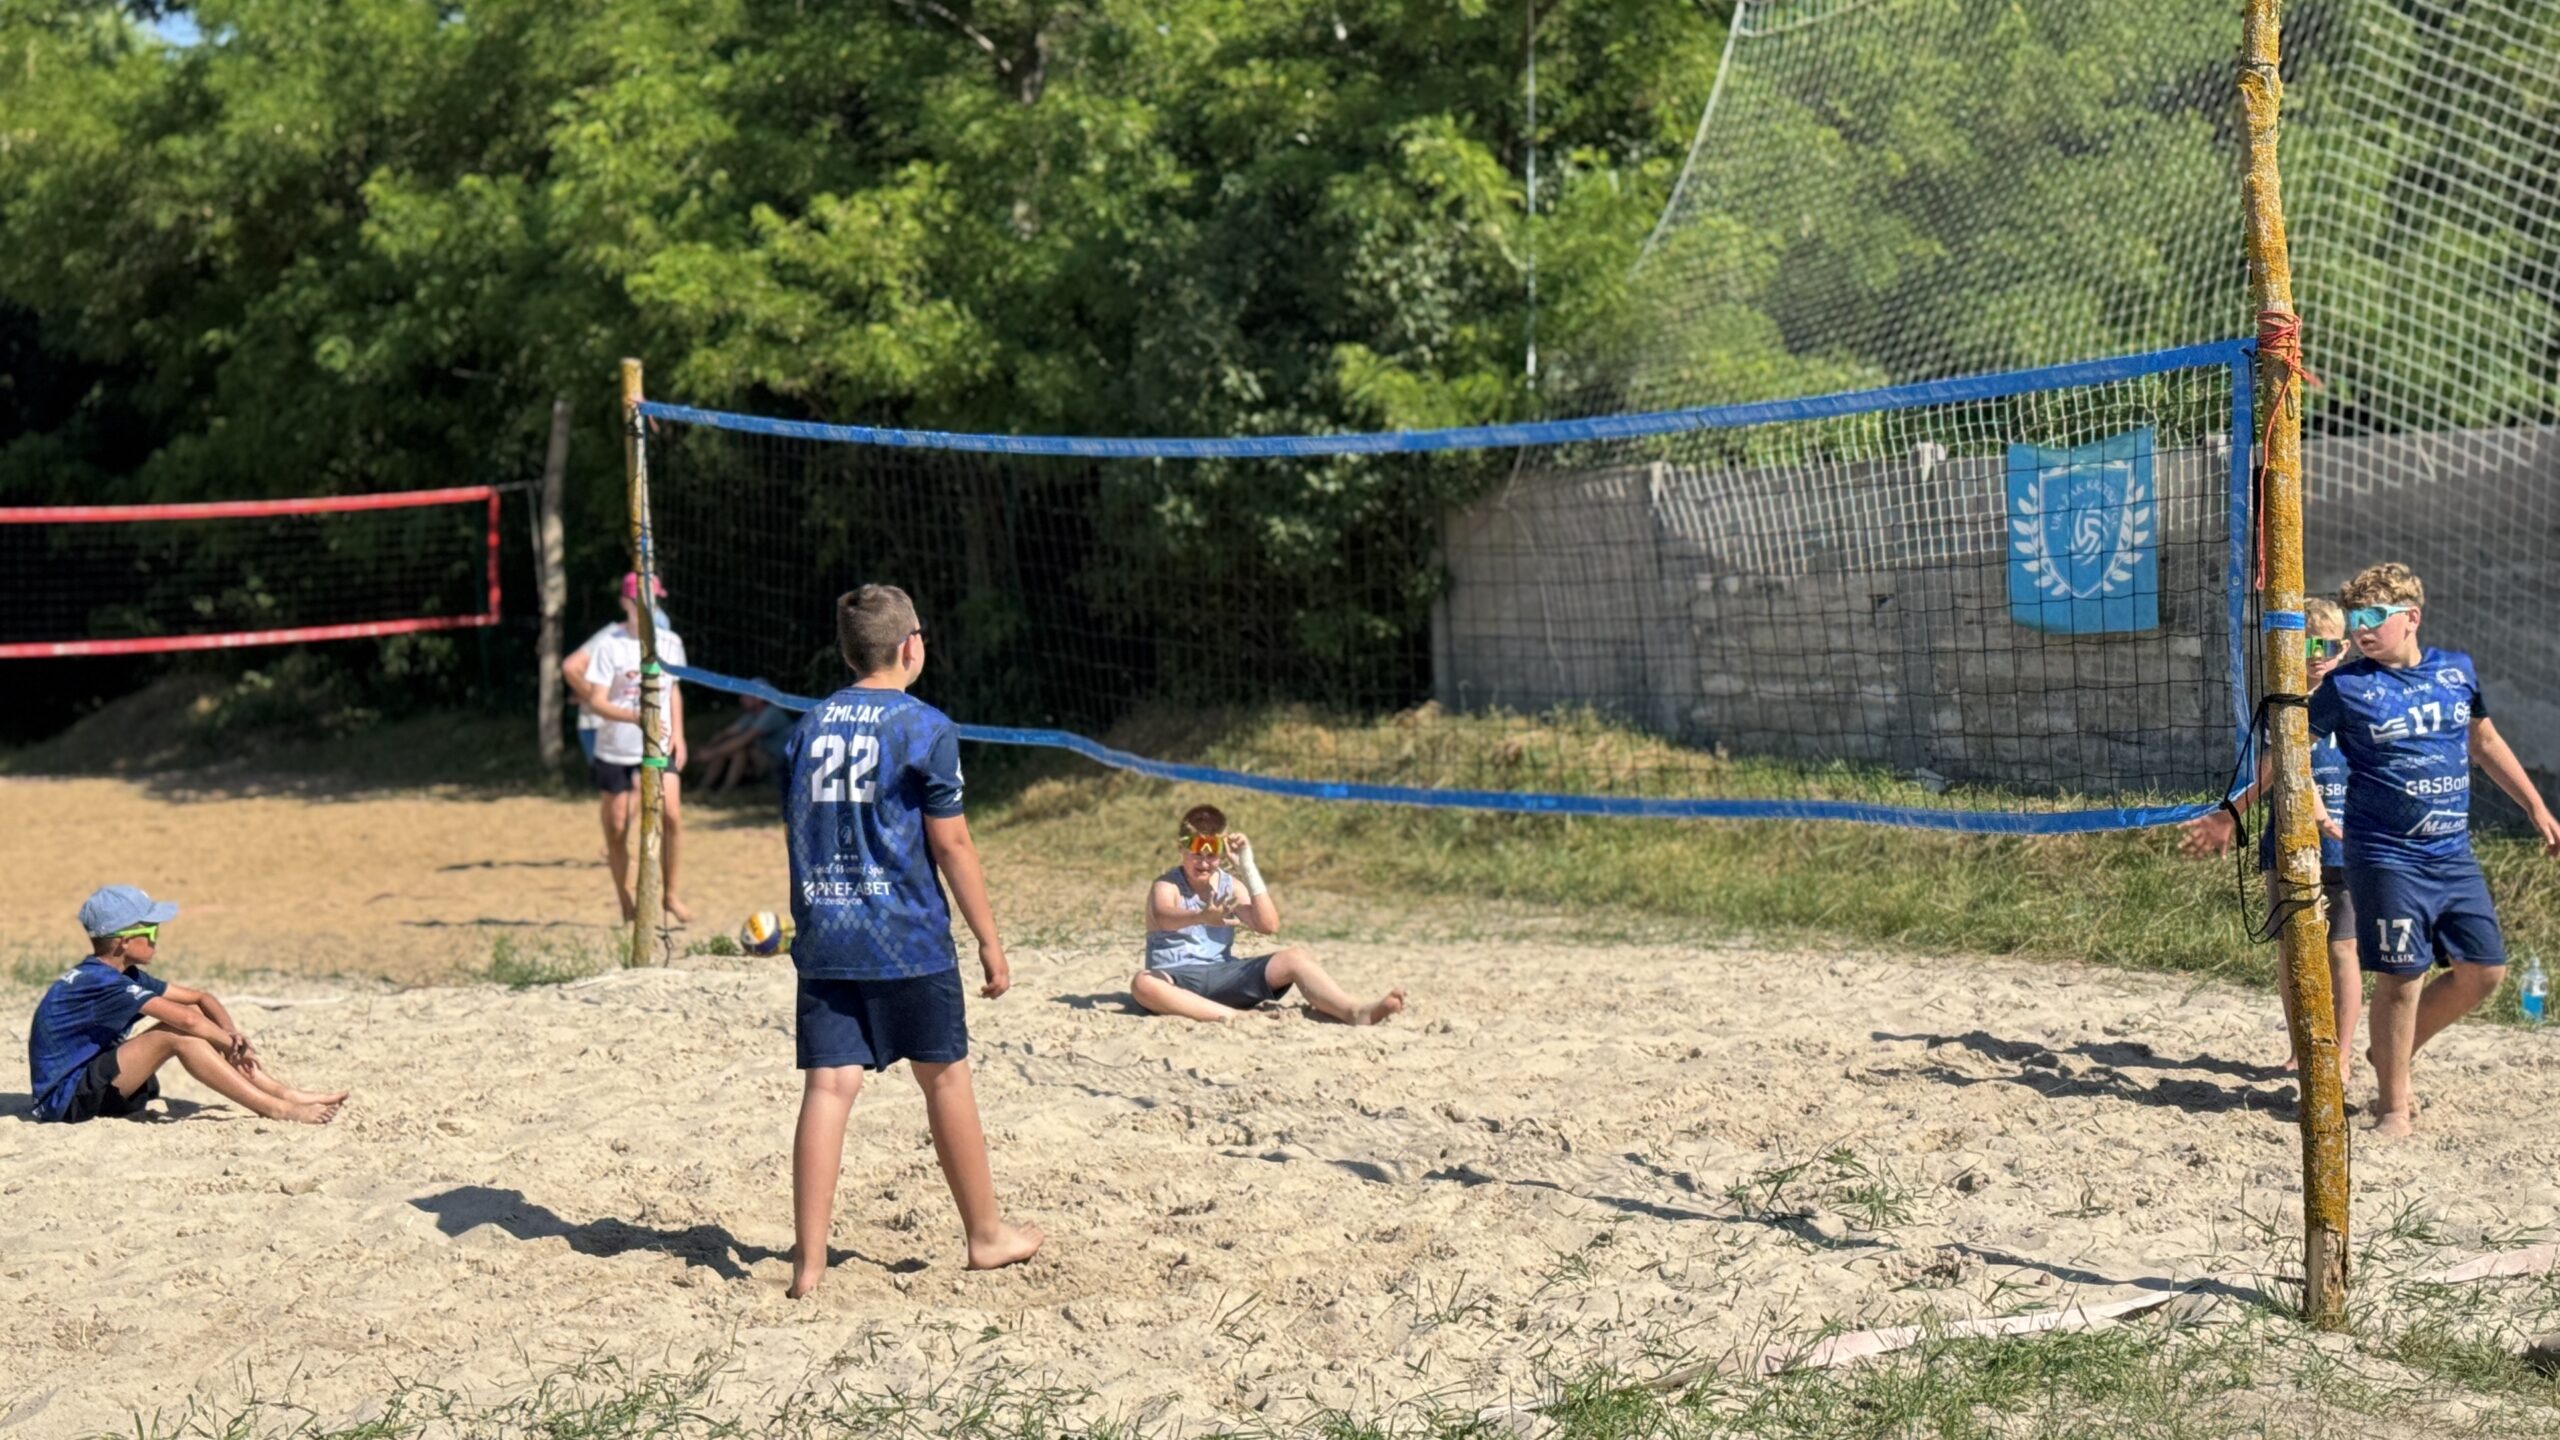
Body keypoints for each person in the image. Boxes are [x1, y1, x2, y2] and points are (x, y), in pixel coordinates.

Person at [779, 583, 1042, 1297]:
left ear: (847, 653)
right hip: (907, 935)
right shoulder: (926, 727)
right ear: (910, 646)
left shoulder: (806, 727)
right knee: (945, 1077)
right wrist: (989, 939)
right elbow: (951, 844)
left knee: (828, 1087)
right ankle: (985, 1235)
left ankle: (808, 1263)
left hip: (827, 931)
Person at [2309, 562, 2560, 1136]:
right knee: (2403, 978)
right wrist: (2237, 812)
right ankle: (2393, 1106)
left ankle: (2388, 1052)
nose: (2361, 629)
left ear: (2411, 618)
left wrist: (2536, 808)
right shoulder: (2346, 687)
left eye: (2374, 616)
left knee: (2485, 972)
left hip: (2450, 854)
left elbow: (2483, 741)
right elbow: (2289, 747)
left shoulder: (2455, 672)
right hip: (2384, 854)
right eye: (2354, 619)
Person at [2180, 597, 2360, 1086]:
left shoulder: (2357, 698)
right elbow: (2272, 769)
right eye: (2306, 646)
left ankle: (2341, 1056)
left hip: (2347, 843)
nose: (2317, 656)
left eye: (2326, 646)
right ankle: (2301, 1049)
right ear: (2288, 648)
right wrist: (2230, 815)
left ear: (2343, 649)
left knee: (2342, 949)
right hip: (2288, 841)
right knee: (2293, 948)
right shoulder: (2279, 706)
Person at [27, 886, 345, 1125]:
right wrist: (232, 1045)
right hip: (65, 1101)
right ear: (123, 941)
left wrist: (231, 1034)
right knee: (175, 1034)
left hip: (93, 1080)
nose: (157, 938)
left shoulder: (122, 974)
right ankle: (276, 1108)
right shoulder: (100, 981)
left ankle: (284, 1094)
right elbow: (186, 1022)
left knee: (190, 1022)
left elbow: (201, 999)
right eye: (151, 930)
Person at [1132, 804, 1406, 1025]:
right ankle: (1233, 1017)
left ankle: (1353, 1011)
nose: (1203, 863)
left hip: (1222, 975)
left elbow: (1268, 926)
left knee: (1295, 957)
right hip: (1175, 981)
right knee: (1142, 984)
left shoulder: (1229, 885)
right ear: (1182, 849)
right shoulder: (1166, 885)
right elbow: (1165, 916)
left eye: (1211, 856)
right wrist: (1201, 916)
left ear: (1222, 853)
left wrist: (1248, 867)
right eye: (1196, 854)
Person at [564, 572, 692, 923]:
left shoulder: (670, 642)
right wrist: (634, 716)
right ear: (626, 603)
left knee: (672, 816)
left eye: (654, 598)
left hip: (658, 745)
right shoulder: (610, 645)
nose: (650, 605)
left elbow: (673, 689)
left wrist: (679, 734)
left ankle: (670, 895)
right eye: (642, 599)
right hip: (616, 748)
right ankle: (626, 901)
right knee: (618, 828)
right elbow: (596, 702)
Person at [691, 694, 795, 793]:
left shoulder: (771, 713)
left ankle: (725, 791)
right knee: (726, 748)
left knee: (739, 749)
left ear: (759, 699)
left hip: (778, 765)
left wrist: (710, 754)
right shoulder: (751, 715)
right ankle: (703, 787)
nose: (741, 699)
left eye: (746, 697)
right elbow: (726, 733)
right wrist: (709, 747)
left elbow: (745, 739)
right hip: (760, 759)